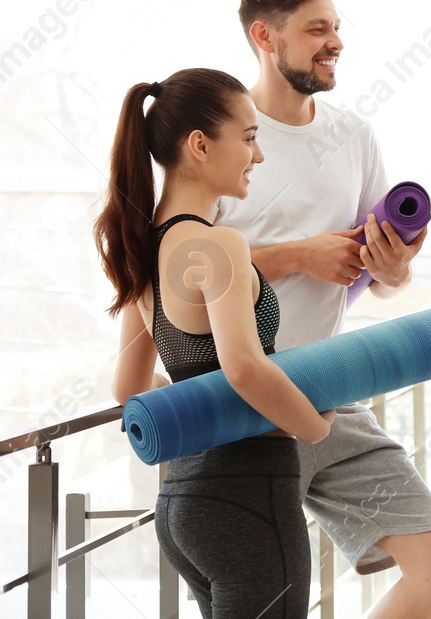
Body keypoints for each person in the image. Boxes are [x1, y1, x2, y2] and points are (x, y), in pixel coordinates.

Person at [215, 0, 431, 616]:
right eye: (317, 29)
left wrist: (390, 268)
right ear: (265, 36)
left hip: (331, 398)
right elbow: (178, 280)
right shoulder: (218, 139)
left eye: (336, 27)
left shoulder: (353, 135)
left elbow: (382, 278)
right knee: (270, 600)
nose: (335, 41)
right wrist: (299, 254)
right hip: (244, 405)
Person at [100, 69, 333, 619]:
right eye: (249, 138)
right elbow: (246, 370)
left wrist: (199, 398)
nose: (258, 156)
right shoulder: (217, 244)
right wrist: (314, 428)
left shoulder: (143, 247)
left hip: (183, 506)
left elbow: (127, 388)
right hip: (247, 499)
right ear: (200, 145)